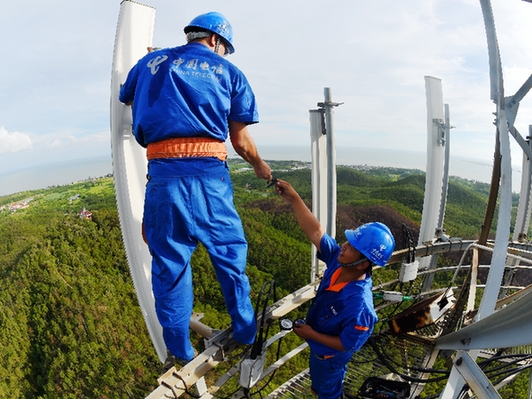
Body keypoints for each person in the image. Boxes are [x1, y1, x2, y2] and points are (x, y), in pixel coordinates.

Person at [119, 11, 272, 365]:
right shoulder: (229, 73)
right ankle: (246, 333)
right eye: (224, 49)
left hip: (162, 179)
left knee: (169, 267)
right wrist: (261, 166)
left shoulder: (149, 62)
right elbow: (241, 141)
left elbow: (129, 96)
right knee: (230, 258)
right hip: (209, 180)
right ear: (217, 41)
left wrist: (156, 62)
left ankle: (181, 351)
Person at [274, 179, 395, 399]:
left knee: (325, 391)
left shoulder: (360, 308)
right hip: (320, 349)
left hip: (329, 356)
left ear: (362, 264)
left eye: (352, 247)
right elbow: (316, 233)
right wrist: (293, 197)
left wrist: (311, 333)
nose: (345, 246)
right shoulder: (338, 262)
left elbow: (346, 345)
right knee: (324, 382)